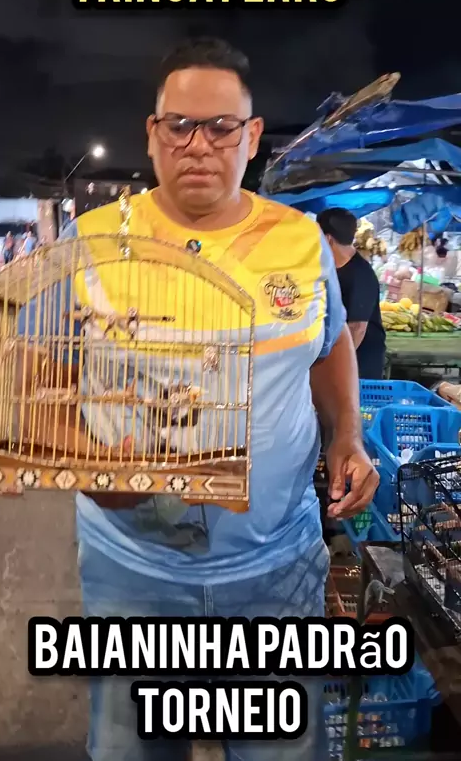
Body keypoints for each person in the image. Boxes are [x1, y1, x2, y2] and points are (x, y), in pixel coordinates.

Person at [39, 38, 378, 761]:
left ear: (252, 136)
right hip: (133, 571)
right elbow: (38, 375)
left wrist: (347, 433)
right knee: (131, 746)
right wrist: (88, 463)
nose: (199, 144)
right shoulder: (89, 240)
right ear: (152, 133)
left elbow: (328, 345)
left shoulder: (298, 242)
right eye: (180, 125)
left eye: (222, 127)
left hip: (277, 566)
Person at [317, 207, 386, 380]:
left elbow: (357, 328)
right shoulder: (332, 269)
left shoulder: (360, 275)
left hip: (359, 364)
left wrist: (336, 366)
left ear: (328, 239)